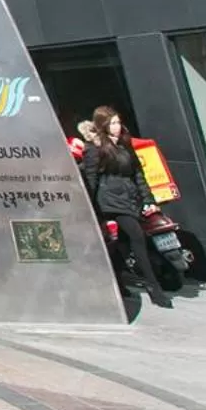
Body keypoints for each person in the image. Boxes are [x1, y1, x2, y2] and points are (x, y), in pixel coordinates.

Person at [80, 106, 171, 309]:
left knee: (121, 243)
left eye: (118, 122)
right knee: (137, 236)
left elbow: (138, 173)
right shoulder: (94, 148)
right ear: (103, 125)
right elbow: (91, 178)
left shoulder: (125, 144)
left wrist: (147, 199)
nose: (117, 127)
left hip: (130, 198)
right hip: (109, 200)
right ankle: (154, 287)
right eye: (112, 123)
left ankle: (118, 282)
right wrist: (92, 208)